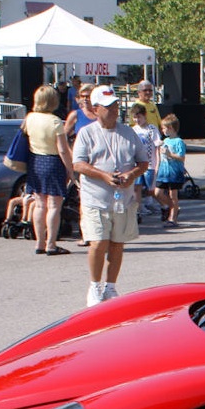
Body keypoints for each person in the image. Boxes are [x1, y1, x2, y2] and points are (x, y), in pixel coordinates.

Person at [72, 85, 149, 307]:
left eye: (115, 105)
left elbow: (143, 162)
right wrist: (104, 176)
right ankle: (95, 285)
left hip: (122, 199)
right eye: (108, 107)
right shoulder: (87, 133)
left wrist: (131, 174)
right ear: (96, 109)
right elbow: (78, 163)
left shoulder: (128, 132)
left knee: (117, 243)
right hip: (95, 198)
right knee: (98, 242)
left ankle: (111, 286)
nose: (114, 110)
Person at [22, 84, 75, 255]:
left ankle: (40, 243)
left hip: (35, 161)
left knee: (39, 204)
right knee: (54, 206)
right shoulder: (54, 121)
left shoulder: (29, 118)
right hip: (52, 162)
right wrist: (70, 170)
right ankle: (51, 244)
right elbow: (62, 149)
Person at [129, 105, 164, 219]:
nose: (137, 120)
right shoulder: (133, 130)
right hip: (137, 164)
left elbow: (157, 146)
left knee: (151, 189)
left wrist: (158, 163)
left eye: (139, 117)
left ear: (145, 116)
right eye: (135, 118)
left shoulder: (151, 129)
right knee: (137, 187)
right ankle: (138, 210)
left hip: (150, 163)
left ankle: (165, 205)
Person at [153, 113, 186, 226]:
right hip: (164, 171)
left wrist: (170, 154)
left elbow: (181, 157)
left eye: (164, 128)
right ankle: (173, 207)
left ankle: (173, 218)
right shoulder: (165, 141)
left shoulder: (179, 141)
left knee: (173, 195)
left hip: (174, 173)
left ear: (171, 128)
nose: (163, 131)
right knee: (157, 193)